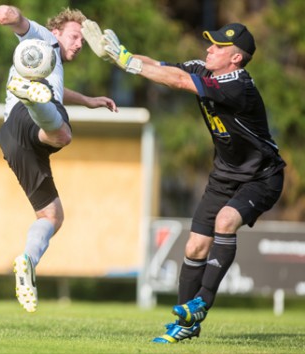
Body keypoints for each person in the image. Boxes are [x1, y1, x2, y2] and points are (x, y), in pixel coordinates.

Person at [83, 21, 286, 342]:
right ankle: (185, 324)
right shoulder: (203, 69)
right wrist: (118, 55)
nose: (209, 49)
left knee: (225, 220)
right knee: (194, 246)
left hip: (262, 177)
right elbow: (160, 67)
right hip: (224, 174)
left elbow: (177, 81)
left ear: (235, 58)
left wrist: (127, 63)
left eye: (218, 47)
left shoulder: (238, 85)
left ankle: (202, 302)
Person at [0, 5, 118, 313]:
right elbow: (22, 25)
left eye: (82, 42)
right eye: (75, 37)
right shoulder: (45, 38)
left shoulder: (52, 64)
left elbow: (56, 92)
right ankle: (33, 100)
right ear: (57, 32)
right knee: (62, 135)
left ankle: (27, 262)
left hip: (11, 137)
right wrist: (10, 15)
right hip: (26, 115)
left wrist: (87, 100)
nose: (78, 44)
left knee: (51, 216)